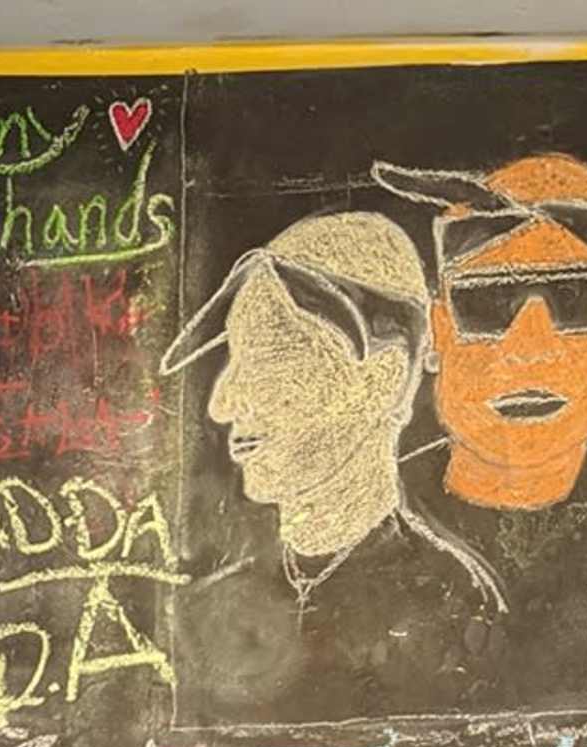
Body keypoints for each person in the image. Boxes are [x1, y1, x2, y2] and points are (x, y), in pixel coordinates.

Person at [163, 207, 504, 619]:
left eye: (268, 361)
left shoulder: (453, 605)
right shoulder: (210, 609)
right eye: (235, 358)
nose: (221, 405)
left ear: (382, 380)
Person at [374, 153, 587, 515]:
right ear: (438, 329)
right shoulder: (376, 512)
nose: (531, 347)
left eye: (577, 304)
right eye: (487, 305)